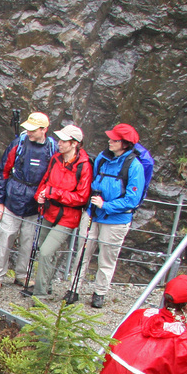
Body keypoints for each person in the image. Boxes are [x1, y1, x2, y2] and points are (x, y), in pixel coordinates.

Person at [74, 123, 145, 309]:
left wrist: (106, 205)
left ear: (125, 144)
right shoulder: (103, 159)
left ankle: (99, 293)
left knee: (106, 258)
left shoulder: (134, 167)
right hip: (93, 214)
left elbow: (132, 199)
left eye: (114, 139)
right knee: (82, 252)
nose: (110, 141)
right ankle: (74, 288)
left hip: (115, 220)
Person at [0, 111, 57, 292]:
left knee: (28, 242)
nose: (29, 132)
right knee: (5, 240)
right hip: (13, 200)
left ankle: (22, 275)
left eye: (33, 130)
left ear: (44, 129)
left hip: (35, 204)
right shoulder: (18, 144)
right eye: (28, 129)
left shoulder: (52, 148)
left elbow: (56, 175)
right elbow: (3, 171)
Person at [22, 125, 92, 298]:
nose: (59, 143)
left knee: (46, 251)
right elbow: (45, 181)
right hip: (49, 211)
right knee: (42, 248)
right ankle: (46, 287)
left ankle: (40, 293)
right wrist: (40, 196)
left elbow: (82, 197)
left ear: (74, 143)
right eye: (59, 140)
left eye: (63, 141)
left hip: (68, 217)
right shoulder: (56, 159)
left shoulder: (84, 166)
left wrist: (55, 194)